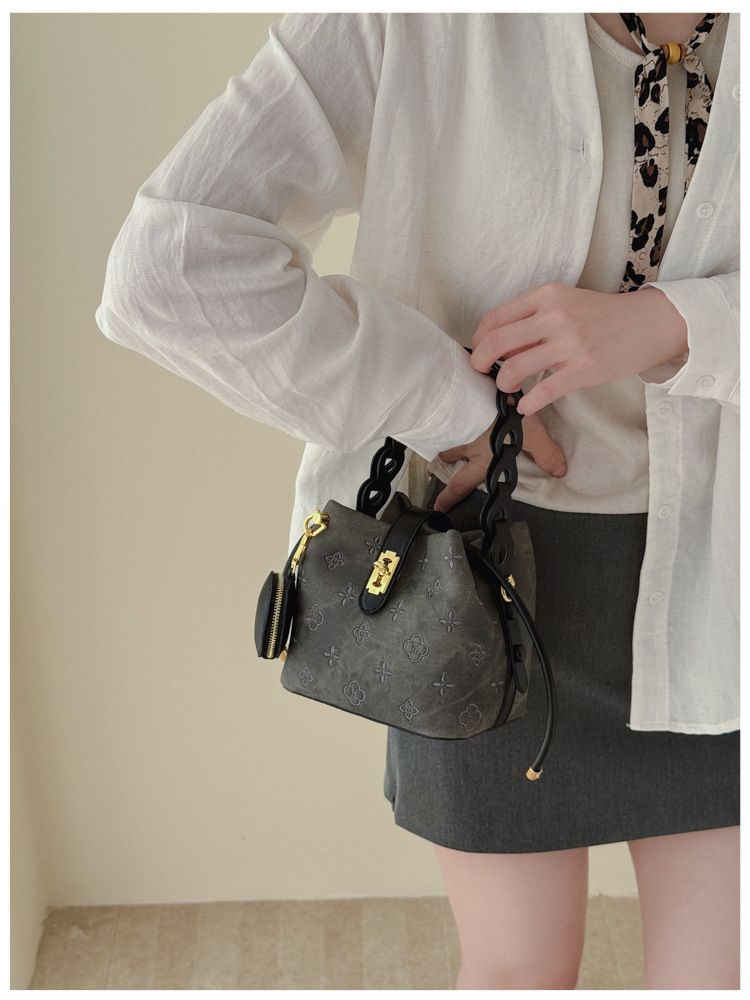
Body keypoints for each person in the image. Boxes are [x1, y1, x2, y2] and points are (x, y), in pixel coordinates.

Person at [96, 13, 739, 989]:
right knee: (517, 970)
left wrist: (675, 322)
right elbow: (172, 262)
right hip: (477, 584)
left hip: (725, 576)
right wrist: (443, 401)